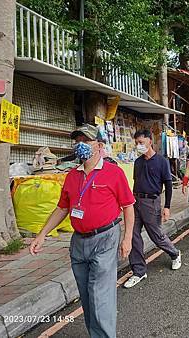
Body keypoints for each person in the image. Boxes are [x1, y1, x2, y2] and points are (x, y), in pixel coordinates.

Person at [29, 124, 135, 338]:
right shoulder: (72, 176)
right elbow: (62, 208)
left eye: (86, 141)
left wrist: (128, 238)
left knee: (99, 295)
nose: (81, 146)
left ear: (99, 145)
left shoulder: (113, 173)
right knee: (87, 296)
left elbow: (128, 206)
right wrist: (42, 235)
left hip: (105, 238)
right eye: (77, 141)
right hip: (79, 243)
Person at [124, 130, 182, 289]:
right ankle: (139, 271)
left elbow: (169, 185)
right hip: (136, 201)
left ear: (150, 141)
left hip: (152, 202)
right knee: (133, 235)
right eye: (136, 143)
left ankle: (174, 253)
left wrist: (167, 207)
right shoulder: (137, 162)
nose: (138, 146)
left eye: (141, 142)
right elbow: (136, 182)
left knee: (156, 235)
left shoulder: (162, 161)